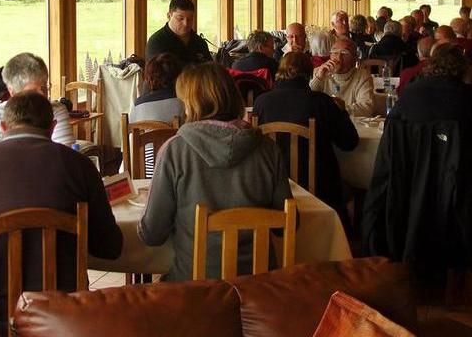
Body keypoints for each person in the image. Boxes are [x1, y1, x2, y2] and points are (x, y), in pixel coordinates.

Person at [0, 92, 123, 323]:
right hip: (63, 318)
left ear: (2, 127)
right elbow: (110, 247)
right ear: (52, 128)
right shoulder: (79, 166)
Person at [138, 62, 292, 281]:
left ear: (191, 104)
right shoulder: (269, 150)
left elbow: (152, 234)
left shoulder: (175, 151)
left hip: (195, 287)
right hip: (260, 286)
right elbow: (287, 226)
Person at [365, 44, 472, 277]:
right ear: (461, 69)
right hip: (451, 184)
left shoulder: (411, 91)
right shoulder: (465, 95)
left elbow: (391, 128)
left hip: (407, 185)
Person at [254, 52, 358, 217]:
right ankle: (344, 236)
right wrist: (342, 112)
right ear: (309, 74)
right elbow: (349, 142)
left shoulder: (261, 102)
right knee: (353, 190)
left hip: (274, 185)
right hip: (320, 189)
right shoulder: (321, 102)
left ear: (279, 72)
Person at [0, 52, 73, 148]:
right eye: (33, 91)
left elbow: (64, 155)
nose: (42, 94)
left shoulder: (56, 110)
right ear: (13, 92)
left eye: (44, 88)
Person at [129, 53, 185, 177]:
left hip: (141, 171)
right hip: (171, 172)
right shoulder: (183, 103)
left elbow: (130, 139)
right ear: (179, 77)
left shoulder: (137, 105)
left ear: (149, 77)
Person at [309, 38, 374, 117]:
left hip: (351, 125)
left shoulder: (362, 76)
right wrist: (318, 78)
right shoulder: (319, 72)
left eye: (345, 53)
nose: (339, 58)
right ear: (330, 56)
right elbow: (307, 101)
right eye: (335, 52)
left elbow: (366, 108)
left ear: (355, 59)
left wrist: (337, 110)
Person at [146, 0, 212, 67]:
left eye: (190, 19)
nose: (185, 24)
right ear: (169, 16)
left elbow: (211, 70)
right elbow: (160, 74)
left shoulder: (200, 42)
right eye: (180, 19)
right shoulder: (157, 42)